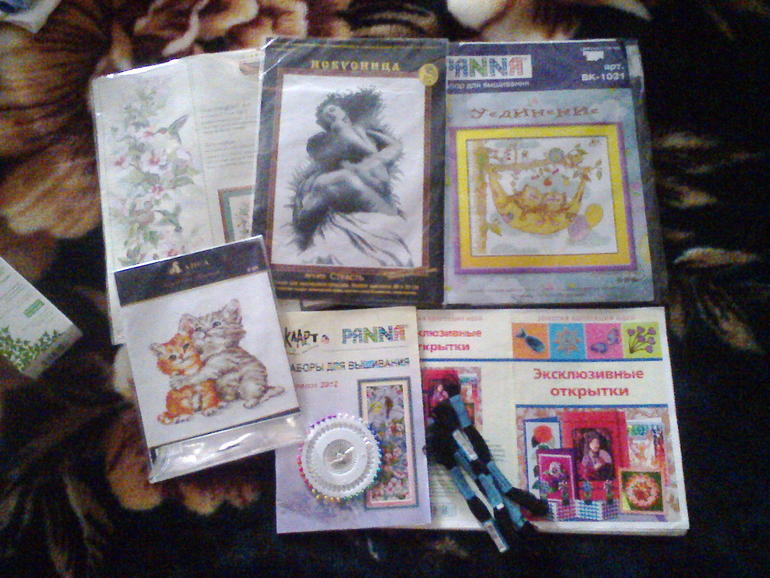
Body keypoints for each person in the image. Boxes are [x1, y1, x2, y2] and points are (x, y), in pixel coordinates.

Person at [288, 89, 414, 268]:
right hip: (383, 216)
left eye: (332, 109)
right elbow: (387, 148)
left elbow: (393, 148)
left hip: (378, 216)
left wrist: (371, 136)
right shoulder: (354, 155)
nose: (331, 115)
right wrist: (368, 137)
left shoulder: (343, 172)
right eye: (326, 115)